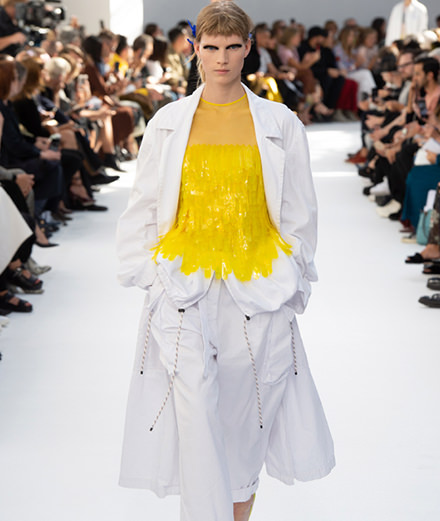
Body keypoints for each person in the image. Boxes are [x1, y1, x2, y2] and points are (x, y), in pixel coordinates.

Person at [116, 3, 335, 521]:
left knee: (244, 427)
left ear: (248, 47)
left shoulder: (280, 123)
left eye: (232, 47)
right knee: (194, 418)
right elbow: (145, 203)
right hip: (182, 284)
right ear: (194, 47)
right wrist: (149, 273)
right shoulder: (168, 123)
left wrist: (293, 276)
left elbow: (299, 211)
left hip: (258, 286)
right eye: (211, 47)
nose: (221, 58)